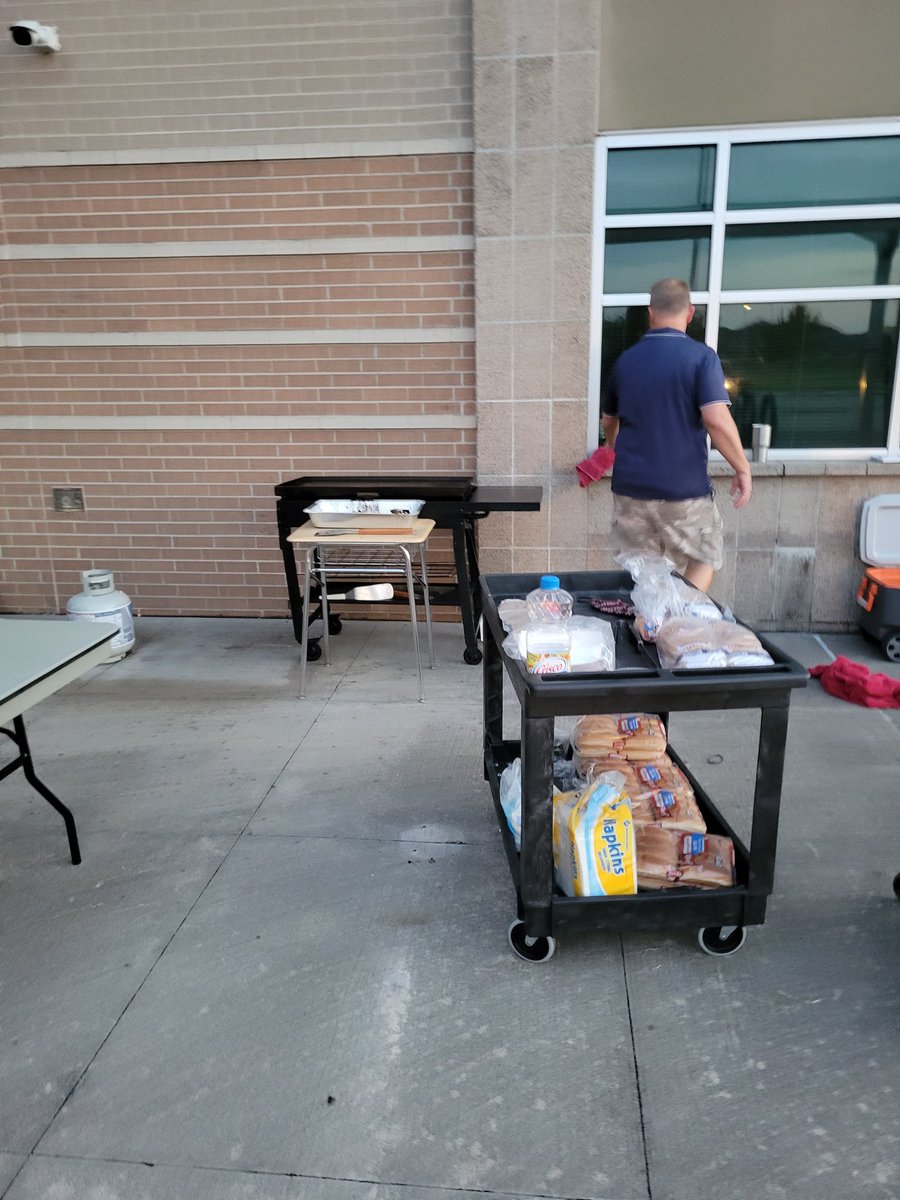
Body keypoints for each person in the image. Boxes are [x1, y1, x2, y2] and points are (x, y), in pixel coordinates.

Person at [600, 278, 752, 593]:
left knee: (644, 576)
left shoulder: (625, 361)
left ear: (650, 312)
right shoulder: (701, 358)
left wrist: (613, 444)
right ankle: (678, 623)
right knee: (704, 556)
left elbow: (608, 421)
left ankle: (650, 626)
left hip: (630, 491)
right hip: (683, 492)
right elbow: (717, 420)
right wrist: (742, 467)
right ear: (691, 312)